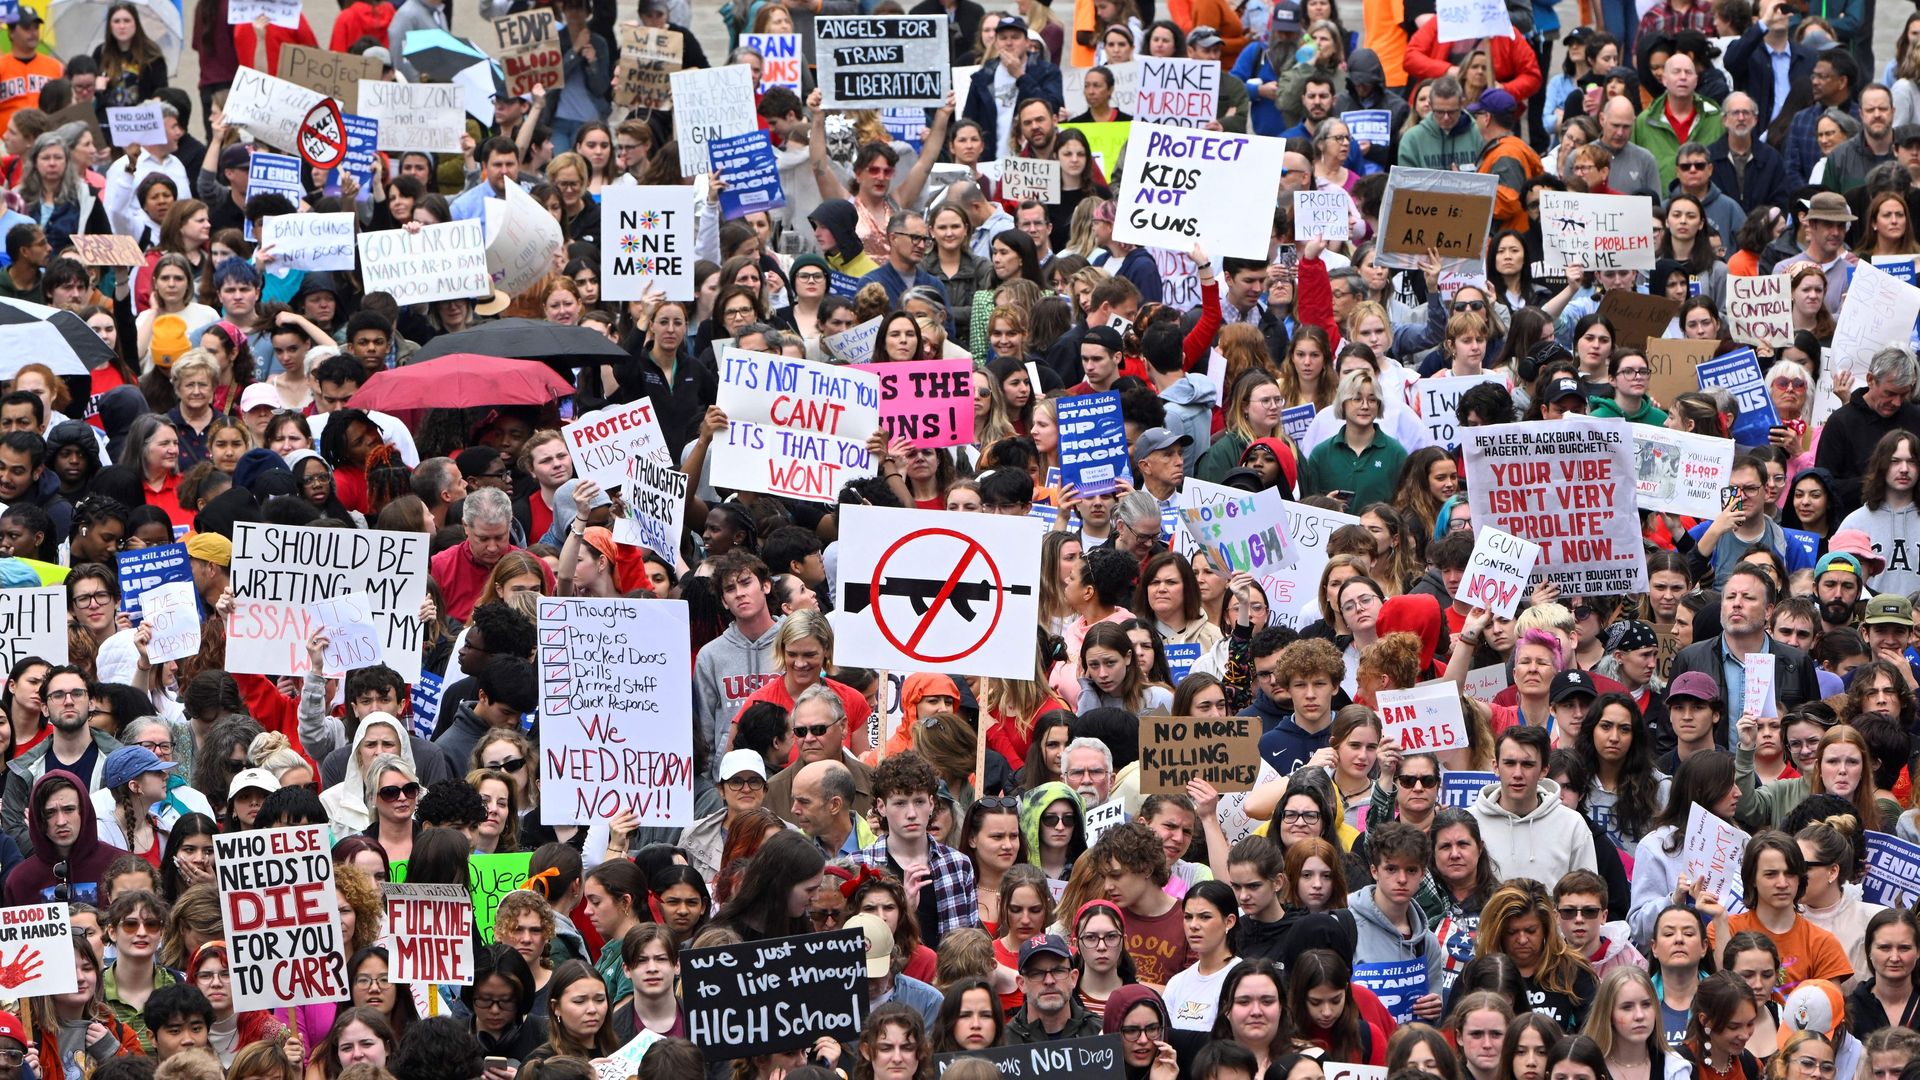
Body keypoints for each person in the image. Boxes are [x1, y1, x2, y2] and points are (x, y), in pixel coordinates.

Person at [1469, 726, 1599, 887]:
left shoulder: (1572, 824)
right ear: (1495, 767)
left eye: (1527, 764)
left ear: (1544, 770)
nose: (1517, 773)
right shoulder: (1469, 822)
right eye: (1509, 763)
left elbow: (1586, 895)